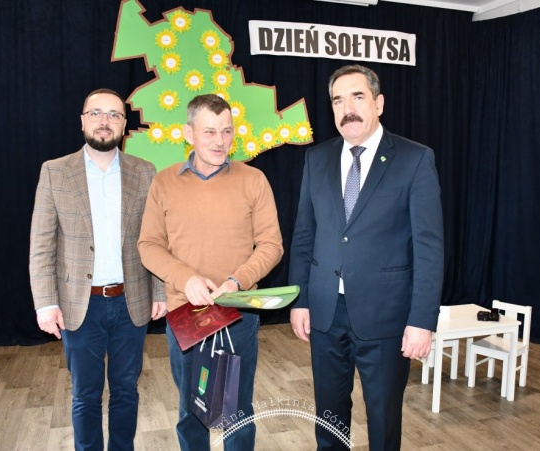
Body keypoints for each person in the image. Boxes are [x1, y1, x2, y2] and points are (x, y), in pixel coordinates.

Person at [288, 65, 444, 450]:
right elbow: (305, 235)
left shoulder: (414, 159)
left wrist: (422, 321)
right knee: (328, 418)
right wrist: (300, 300)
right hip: (325, 313)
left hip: (386, 316)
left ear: (379, 103)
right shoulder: (316, 159)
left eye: (357, 97)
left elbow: (429, 247)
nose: (348, 109)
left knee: (383, 419)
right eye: (338, 101)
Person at [137, 94, 284, 450]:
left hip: (238, 314)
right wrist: (186, 279)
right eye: (209, 132)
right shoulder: (164, 182)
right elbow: (149, 245)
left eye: (227, 131)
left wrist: (237, 281)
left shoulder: (254, 180)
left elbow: (272, 245)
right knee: (191, 412)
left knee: (237, 412)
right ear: (189, 133)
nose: (220, 141)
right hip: (185, 316)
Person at [29, 88, 167, 451]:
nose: (104, 121)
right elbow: (42, 245)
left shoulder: (145, 172)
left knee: (126, 391)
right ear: (82, 121)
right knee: (85, 395)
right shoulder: (55, 172)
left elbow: (156, 238)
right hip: (79, 305)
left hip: (130, 302)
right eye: (96, 113)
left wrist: (160, 291)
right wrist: (45, 303)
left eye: (113, 115)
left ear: (123, 124)